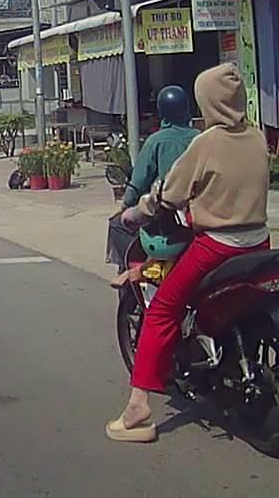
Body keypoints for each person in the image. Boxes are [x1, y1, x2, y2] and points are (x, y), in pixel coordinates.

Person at [107, 63, 271, 442]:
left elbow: (168, 194)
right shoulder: (257, 137)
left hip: (217, 247)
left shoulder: (207, 142)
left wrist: (135, 213)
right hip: (259, 243)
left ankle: (137, 409)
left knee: (163, 309)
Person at [105, 85, 199, 267]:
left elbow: (139, 182)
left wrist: (125, 204)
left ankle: (127, 270)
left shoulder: (156, 141)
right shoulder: (200, 138)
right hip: (196, 212)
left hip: (165, 213)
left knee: (117, 223)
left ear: (161, 112)